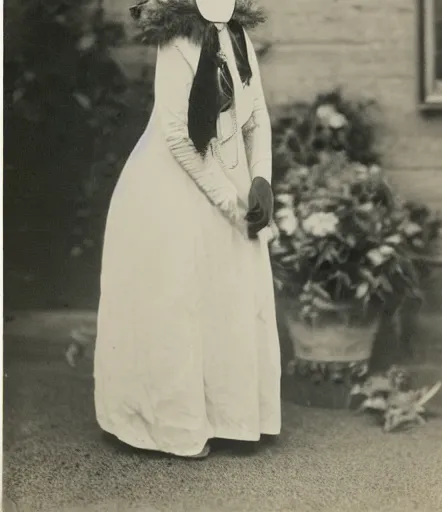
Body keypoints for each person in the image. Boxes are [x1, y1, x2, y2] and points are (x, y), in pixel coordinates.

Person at [93, 0, 281, 459]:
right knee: (179, 296)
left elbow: (255, 114)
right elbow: (178, 134)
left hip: (229, 172)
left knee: (229, 291)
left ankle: (230, 418)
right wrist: (229, 203)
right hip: (174, 186)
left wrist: (261, 179)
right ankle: (174, 426)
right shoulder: (177, 40)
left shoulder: (236, 35)